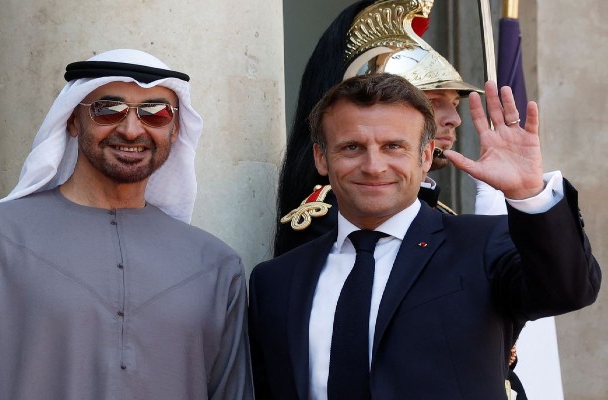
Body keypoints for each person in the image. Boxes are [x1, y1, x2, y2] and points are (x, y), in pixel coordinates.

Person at [0, 49, 253, 400]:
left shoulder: (215, 267)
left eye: (156, 113)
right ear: (73, 120)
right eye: (109, 109)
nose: (132, 129)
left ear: (175, 128)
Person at [248, 73, 601, 399]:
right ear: (321, 158)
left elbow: (567, 290)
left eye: (393, 147)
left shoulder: (482, 246)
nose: (373, 166)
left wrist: (528, 195)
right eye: (352, 147)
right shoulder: (275, 281)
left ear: (427, 156)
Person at [276, 0, 503, 258]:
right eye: (433, 103)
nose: (454, 119)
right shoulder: (327, 214)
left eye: (453, 104)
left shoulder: (436, 208)